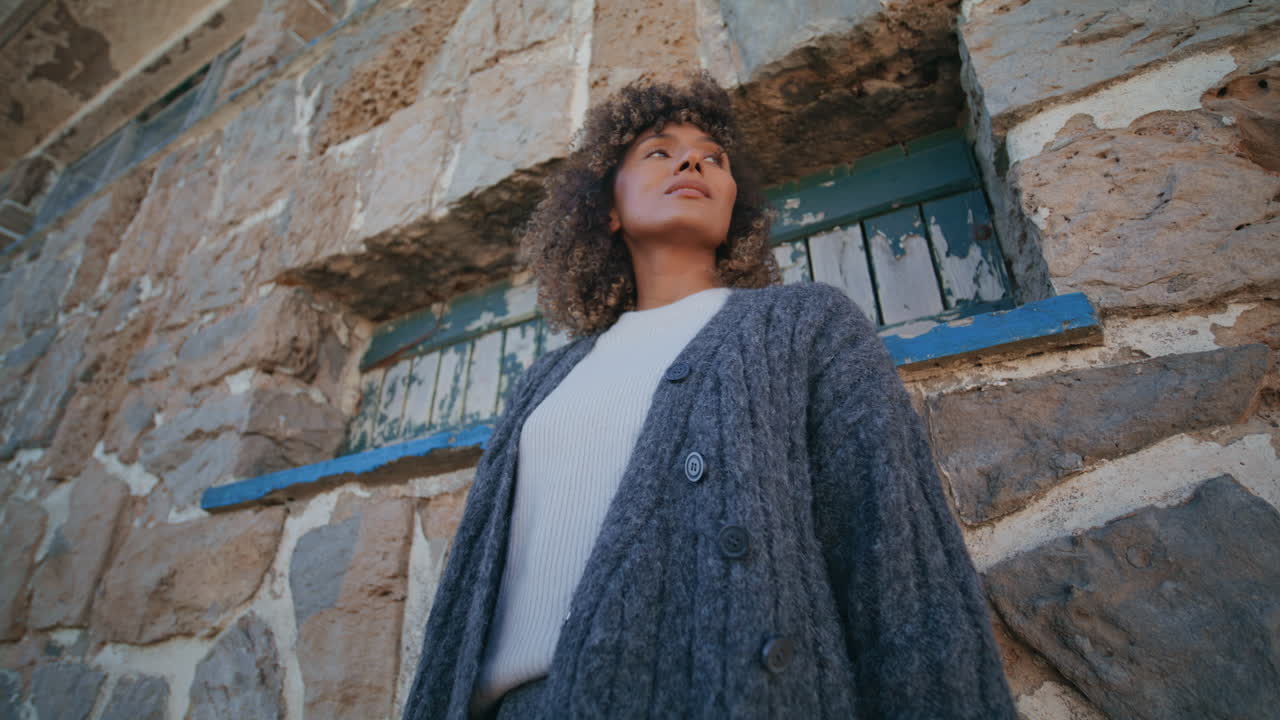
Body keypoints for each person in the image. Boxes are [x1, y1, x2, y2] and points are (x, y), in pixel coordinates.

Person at [401, 72, 1017, 720]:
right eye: (659, 151)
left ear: (732, 210)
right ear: (607, 211)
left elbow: (899, 564)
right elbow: (465, 608)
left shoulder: (806, 324)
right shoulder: (542, 381)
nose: (693, 159)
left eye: (712, 158)